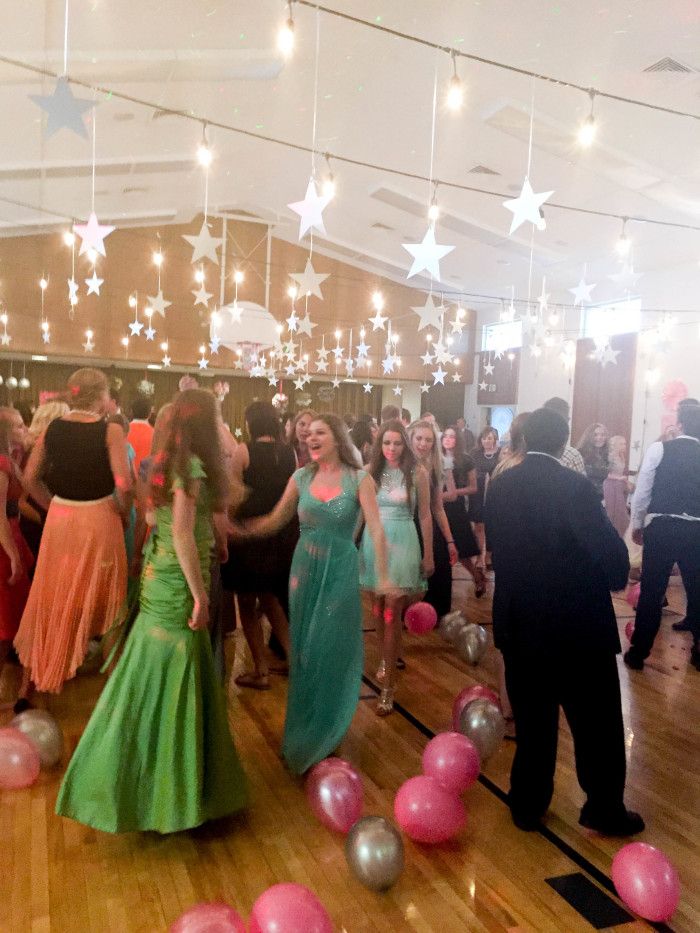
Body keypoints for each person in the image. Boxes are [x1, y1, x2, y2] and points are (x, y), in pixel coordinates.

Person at [55, 389, 247, 833]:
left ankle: (152, 780)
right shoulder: (192, 467)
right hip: (178, 581)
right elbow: (180, 532)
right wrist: (200, 594)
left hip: (160, 575)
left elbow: (152, 522)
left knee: (149, 669)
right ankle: (167, 790)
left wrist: (210, 540)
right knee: (174, 673)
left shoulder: (161, 464)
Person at [485, 408, 643, 836]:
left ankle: (527, 804)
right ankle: (604, 808)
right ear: (563, 443)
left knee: (534, 723)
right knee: (597, 727)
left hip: (519, 620)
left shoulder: (499, 487)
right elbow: (613, 564)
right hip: (576, 627)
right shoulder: (574, 487)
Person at [233, 414, 391, 774]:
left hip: (339, 570)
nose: (310, 437)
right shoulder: (301, 476)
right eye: (308, 433)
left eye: (320, 432)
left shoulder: (359, 479)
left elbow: (377, 531)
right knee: (303, 651)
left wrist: (381, 577)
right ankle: (306, 727)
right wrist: (242, 529)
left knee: (329, 646)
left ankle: (329, 728)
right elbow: (276, 519)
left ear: (337, 438)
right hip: (303, 569)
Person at [14, 368, 131, 699]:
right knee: (109, 599)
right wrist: (123, 512)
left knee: (50, 593)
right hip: (99, 518)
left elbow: (29, 478)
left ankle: (28, 685)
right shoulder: (110, 431)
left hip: (61, 522)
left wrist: (53, 506)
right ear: (102, 396)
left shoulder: (52, 428)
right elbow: (124, 483)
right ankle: (113, 690)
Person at [359, 420, 432, 715]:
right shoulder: (368, 472)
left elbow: (425, 515)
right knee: (378, 607)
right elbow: (359, 515)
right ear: (380, 445)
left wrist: (429, 554)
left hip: (403, 540)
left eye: (397, 443)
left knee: (392, 611)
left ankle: (388, 685)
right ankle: (385, 658)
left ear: (406, 444)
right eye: (387, 443)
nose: (391, 449)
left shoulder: (418, 473)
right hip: (374, 542)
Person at [222, 401, 296, 690]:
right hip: (279, 533)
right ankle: (293, 659)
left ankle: (260, 669)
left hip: (248, 533)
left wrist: (230, 528)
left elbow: (233, 495)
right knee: (270, 599)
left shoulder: (244, 451)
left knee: (247, 603)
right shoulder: (289, 453)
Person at [625, 404, 700, 672]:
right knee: (698, 588)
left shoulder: (660, 449)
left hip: (662, 527)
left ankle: (638, 652)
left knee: (652, 591)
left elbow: (643, 490)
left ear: (679, 425)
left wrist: (637, 523)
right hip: (696, 530)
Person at [408, 420, 458, 619]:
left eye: (428, 440)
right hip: (406, 526)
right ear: (411, 439)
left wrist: (450, 540)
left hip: (427, 527)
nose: (423, 443)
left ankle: (430, 619)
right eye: (419, 438)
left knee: (439, 569)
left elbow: (438, 508)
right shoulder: (401, 467)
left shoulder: (435, 467)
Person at [0, 410, 33, 705]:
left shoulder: (9, 460)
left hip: (12, 534)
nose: (26, 429)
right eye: (20, 425)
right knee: (6, 620)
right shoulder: (1, 463)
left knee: (9, 618)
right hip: (5, 541)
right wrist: (12, 555)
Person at [19, 400, 69, 558]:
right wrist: (47, 519)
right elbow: (21, 502)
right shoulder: (34, 453)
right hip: (37, 524)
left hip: (50, 520)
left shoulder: (51, 451)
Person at [440, 426, 486, 597]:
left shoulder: (466, 459)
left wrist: (452, 493)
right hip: (438, 505)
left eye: (452, 436)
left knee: (462, 550)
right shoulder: (436, 457)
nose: (448, 439)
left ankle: (477, 577)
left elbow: (473, 487)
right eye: (445, 436)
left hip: (456, 507)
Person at [470, 427, 501, 569]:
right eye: (484, 438)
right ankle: (478, 556)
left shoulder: (501, 453)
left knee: (492, 525)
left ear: (495, 439)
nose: (486, 441)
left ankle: (488, 555)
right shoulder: (475, 453)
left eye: (489, 438)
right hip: (477, 492)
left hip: (494, 492)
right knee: (479, 525)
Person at [542, 397, 586, 474]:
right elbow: (580, 485)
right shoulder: (572, 456)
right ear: (564, 420)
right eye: (568, 419)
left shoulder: (526, 453)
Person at [604, 436, 631, 538]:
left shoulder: (622, 455)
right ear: (615, 445)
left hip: (619, 485)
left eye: (625, 444)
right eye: (621, 444)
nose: (624, 446)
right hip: (611, 485)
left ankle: (620, 534)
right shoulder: (610, 457)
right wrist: (620, 478)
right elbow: (605, 473)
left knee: (621, 511)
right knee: (613, 510)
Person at [577, 423, 610, 499]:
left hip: (606, 495)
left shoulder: (609, 454)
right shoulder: (581, 452)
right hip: (586, 494)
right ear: (589, 437)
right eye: (595, 435)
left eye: (603, 435)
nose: (599, 438)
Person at [126, 395, 154, 474]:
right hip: (146, 481)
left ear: (131, 411)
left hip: (125, 481)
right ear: (149, 413)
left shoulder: (122, 432)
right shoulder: (155, 435)